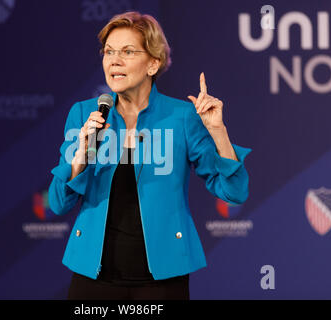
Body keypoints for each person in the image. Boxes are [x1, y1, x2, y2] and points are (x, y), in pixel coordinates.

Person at [48, 11, 251, 300]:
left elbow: (234, 192)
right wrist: (81, 153)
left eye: (127, 52)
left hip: (162, 280)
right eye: (109, 51)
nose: (114, 60)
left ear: (153, 64)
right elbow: (58, 203)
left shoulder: (181, 117)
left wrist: (218, 132)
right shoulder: (84, 114)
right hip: (93, 279)